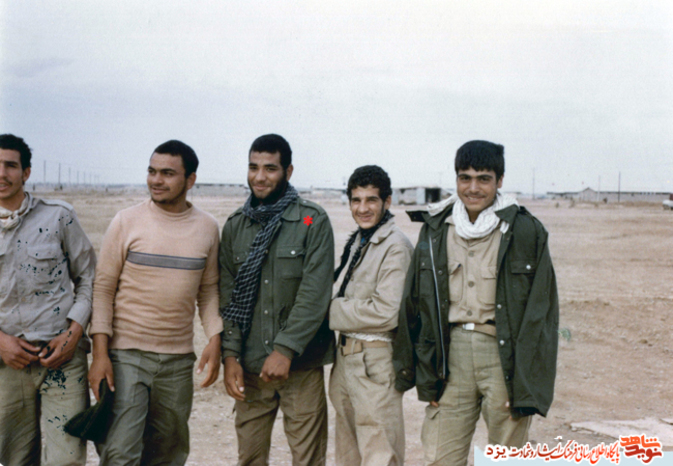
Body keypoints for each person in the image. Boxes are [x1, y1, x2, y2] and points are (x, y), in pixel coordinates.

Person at [393, 140, 559, 465]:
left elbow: (541, 315)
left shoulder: (526, 231)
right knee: (441, 457)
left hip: (503, 358)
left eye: (483, 179)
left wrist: (524, 386)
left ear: (500, 180)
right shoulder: (435, 229)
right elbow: (414, 304)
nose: (473, 188)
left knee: (507, 458)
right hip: (449, 358)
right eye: (465, 178)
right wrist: (424, 376)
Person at [88, 140, 222, 465]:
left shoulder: (207, 227)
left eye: (167, 173)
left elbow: (208, 290)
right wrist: (100, 355)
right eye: (152, 171)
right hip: (125, 356)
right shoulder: (126, 221)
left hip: (178, 362)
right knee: (120, 452)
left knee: (168, 453)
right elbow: (103, 290)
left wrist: (215, 338)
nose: (156, 180)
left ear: (190, 180)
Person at [220, 134, 335, 466]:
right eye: (253, 167)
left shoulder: (312, 220)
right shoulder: (236, 226)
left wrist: (285, 349)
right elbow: (228, 297)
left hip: (301, 364)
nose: (259, 177)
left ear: (288, 171)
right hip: (251, 364)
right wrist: (230, 356)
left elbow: (315, 293)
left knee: (308, 459)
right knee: (250, 457)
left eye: (270, 168)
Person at [0, 134, 96, 465]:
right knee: (13, 458)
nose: (2, 173)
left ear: (26, 172)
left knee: (66, 457)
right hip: (7, 363)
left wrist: (74, 332)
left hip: (62, 359)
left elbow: (88, 278)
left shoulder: (58, 217)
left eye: (10, 165)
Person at [329, 165, 412, 466]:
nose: (362, 208)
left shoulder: (395, 246)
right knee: (347, 455)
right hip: (346, 359)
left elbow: (386, 312)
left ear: (387, 201)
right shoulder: (360, 240)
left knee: (379, 454)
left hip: (374, 362)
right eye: (356, 200)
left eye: (371, 200)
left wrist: (328, 310)